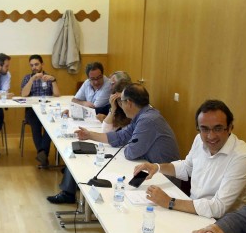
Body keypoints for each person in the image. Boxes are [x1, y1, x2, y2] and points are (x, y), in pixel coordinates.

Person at [47, 83, 180, 203]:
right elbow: (120, 137)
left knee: (119, 187)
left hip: (163, 178)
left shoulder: (148, 120)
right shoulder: (142, 116)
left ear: (129, 103)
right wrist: (90, 135)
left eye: (121, 102)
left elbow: (131, 153)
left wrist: (128, 145)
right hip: (147, 169)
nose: (120, 105)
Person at [133, 100, 246, 218]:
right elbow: (187, 167)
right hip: (195, 212)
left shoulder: (242, 157)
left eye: (218, 128)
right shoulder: (199, 139)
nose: (211, 136)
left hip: (221, 225)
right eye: (205, 129)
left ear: (230, 128)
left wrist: (169, 202)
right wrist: (157, 167)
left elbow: (219, 207)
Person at [20, 54, 60, 167]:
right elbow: (23, 94)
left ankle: (42, 153)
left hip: (47, 108)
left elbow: (57, 94)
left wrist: (53, 80)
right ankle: (43, 154)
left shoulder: (49, 77)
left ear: (42, 64)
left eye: (36, 64)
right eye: (32, 65)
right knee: (36, 123)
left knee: (50, 123)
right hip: (32, 109)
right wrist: (32, 79)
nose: (34, 67)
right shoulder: (27, 78)